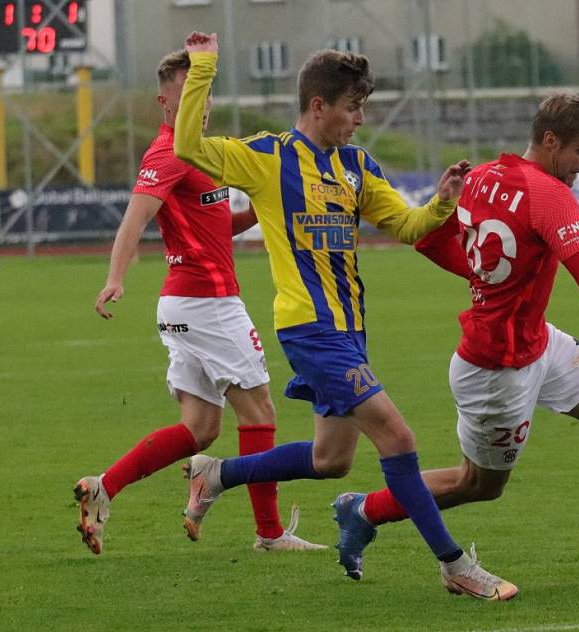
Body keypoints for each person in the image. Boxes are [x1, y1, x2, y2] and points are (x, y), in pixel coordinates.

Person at [172, 31, 517, 602]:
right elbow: (189, 144)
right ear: (318, 106)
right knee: (398, 437)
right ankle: (455, 564)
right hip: (310, 329)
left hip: (350, 331)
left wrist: (443, 201)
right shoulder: (268, 157)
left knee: (331, 460)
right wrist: (203, 65)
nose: (359, 119)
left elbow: (405, 227)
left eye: (362, 108)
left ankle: (217, 475)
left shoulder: (356, 165)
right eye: (352, 108)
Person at [336, 92, 579, 583]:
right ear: (549, 140)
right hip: (495, 368)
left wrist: (487, 277)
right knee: (477, 484)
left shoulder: (478, 177)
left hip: (537, 342)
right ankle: (364, 510)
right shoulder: (549, 195)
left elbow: (430, 239)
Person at [73, 48, 325, 556]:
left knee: (201, 428)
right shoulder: (166, 155)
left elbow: (215, 228)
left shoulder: (201, 155)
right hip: (206, 304)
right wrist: (115, 278)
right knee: (259, 412)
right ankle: (270, 533)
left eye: (205, 94)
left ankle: (104, 487)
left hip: (188, 308)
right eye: (189, 94)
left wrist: (259, 209)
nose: (200, 104)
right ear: (165, 100)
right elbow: (134, 219)